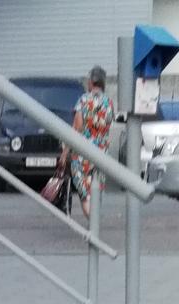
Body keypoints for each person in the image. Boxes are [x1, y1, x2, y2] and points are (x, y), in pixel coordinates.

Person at [63, 64, 115, 221]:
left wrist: (65, 152)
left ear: (91, 82)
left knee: (84, 193)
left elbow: (77, 127)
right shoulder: (109, 103)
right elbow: (108, 126)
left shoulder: (83, 100)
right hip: (101, 152)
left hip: (82, 153)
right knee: (96, 189)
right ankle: (95, 221)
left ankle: (93, 223)